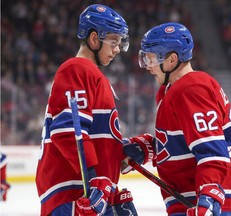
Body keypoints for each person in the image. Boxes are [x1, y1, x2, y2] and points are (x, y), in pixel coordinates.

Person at [35, 4, 154, 216]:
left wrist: (122, 152)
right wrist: (93, 180)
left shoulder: (91, 74)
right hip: (74, 195)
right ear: (93, 39)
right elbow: (69, 132)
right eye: (114, 42)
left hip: (89, 194)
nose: (118, 49)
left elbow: (94, 138)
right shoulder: (77, 69)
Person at [123, 22, 231, 216]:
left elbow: (212, 150)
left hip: (207, 204)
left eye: (151, 59)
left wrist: (209, 196)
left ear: (172, 60)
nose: (147, 67)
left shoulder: (191, 88)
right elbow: (184, 143)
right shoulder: (170, 91)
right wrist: (148, 148)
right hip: (189, 201)